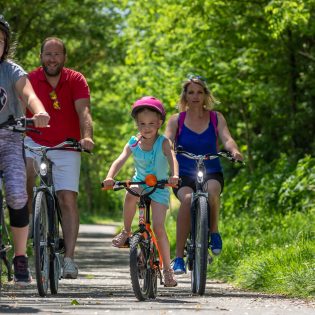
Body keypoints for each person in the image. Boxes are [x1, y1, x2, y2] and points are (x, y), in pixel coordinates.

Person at [24, 37, 94, 279]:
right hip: (33, 141)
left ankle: (69, 260)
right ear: (41, 56)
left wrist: (87, 137)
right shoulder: (30, 79)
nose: (52, 59)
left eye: (57, 54)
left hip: (67, 145)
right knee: (26, 176)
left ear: (64, 57)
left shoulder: (75, 79)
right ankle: (33, 223)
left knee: (67, 199)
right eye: (47, 54)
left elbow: (83, 111)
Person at [165, 75, 243, 274]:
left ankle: (214, 231)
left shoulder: (216, 117)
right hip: (183, 173)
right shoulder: (177, 120)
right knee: (188, 199)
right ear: (185, 96)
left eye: (199, 92)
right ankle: (179, 257)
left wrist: (234, 151)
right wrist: (168, 154)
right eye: (191, 92)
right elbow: (167, 141)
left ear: (206, 95)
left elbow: (227, 138)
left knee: (212, 191)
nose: (195, 96)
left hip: (211, 170)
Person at [102, 96, 178, 287]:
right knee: (130, 193)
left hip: (160, 187)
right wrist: (110, 177)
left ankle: (168, 270)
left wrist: (174, 175)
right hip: (140, 183)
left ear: (159, 123)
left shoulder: (163, 142)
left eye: (152, 123)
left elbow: (172, 159)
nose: (147, 127)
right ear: (136, 124)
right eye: (142, 123)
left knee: (159, 228)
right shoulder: (134, 142)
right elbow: (120, 159)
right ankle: (127, 231)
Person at [0, 15, 50, 285]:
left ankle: (20, 256)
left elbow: (28, 94)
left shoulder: (11, 70)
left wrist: (39, 110)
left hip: (9, 137)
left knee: (18, 194)